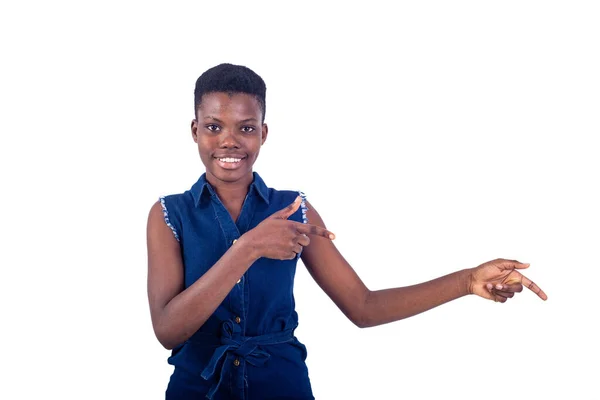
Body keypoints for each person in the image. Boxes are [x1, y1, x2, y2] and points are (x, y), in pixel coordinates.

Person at [146, 63, 548, 400]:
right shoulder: (169, 214)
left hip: (282, 387)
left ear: (263, 134)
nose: (229, 141)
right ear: (195, 130)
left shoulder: (294, 209)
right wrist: (248, 247)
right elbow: (168, 330)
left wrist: (467, 281)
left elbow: (363, 307)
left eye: (246, 128)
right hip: (195, 389)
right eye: (214, 127)